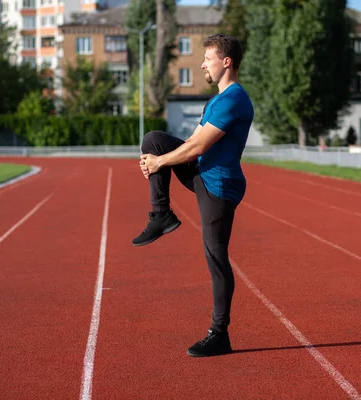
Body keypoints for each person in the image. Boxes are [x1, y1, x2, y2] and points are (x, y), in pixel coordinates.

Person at [132, 33, 254, 357]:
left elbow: (200, 146)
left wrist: (160, 163)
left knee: (216, 258)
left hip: (219, 186)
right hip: (201, 172)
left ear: (226, 62)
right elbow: (192, 141)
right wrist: (155, 161)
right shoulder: (216, 100)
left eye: (208, 58)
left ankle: (219, 334)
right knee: (154, 140)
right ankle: (161, 215)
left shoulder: (235, 99)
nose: (202, 64)